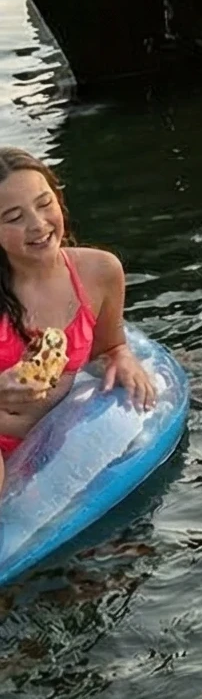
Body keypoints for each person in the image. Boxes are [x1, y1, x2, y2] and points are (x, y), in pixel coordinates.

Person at [0, 148, 153, 501]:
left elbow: (110, 345)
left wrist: (122, 356)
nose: (38, 225)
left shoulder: (99, 272)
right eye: (13, 217)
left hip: (50, 440)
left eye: (44, 203)